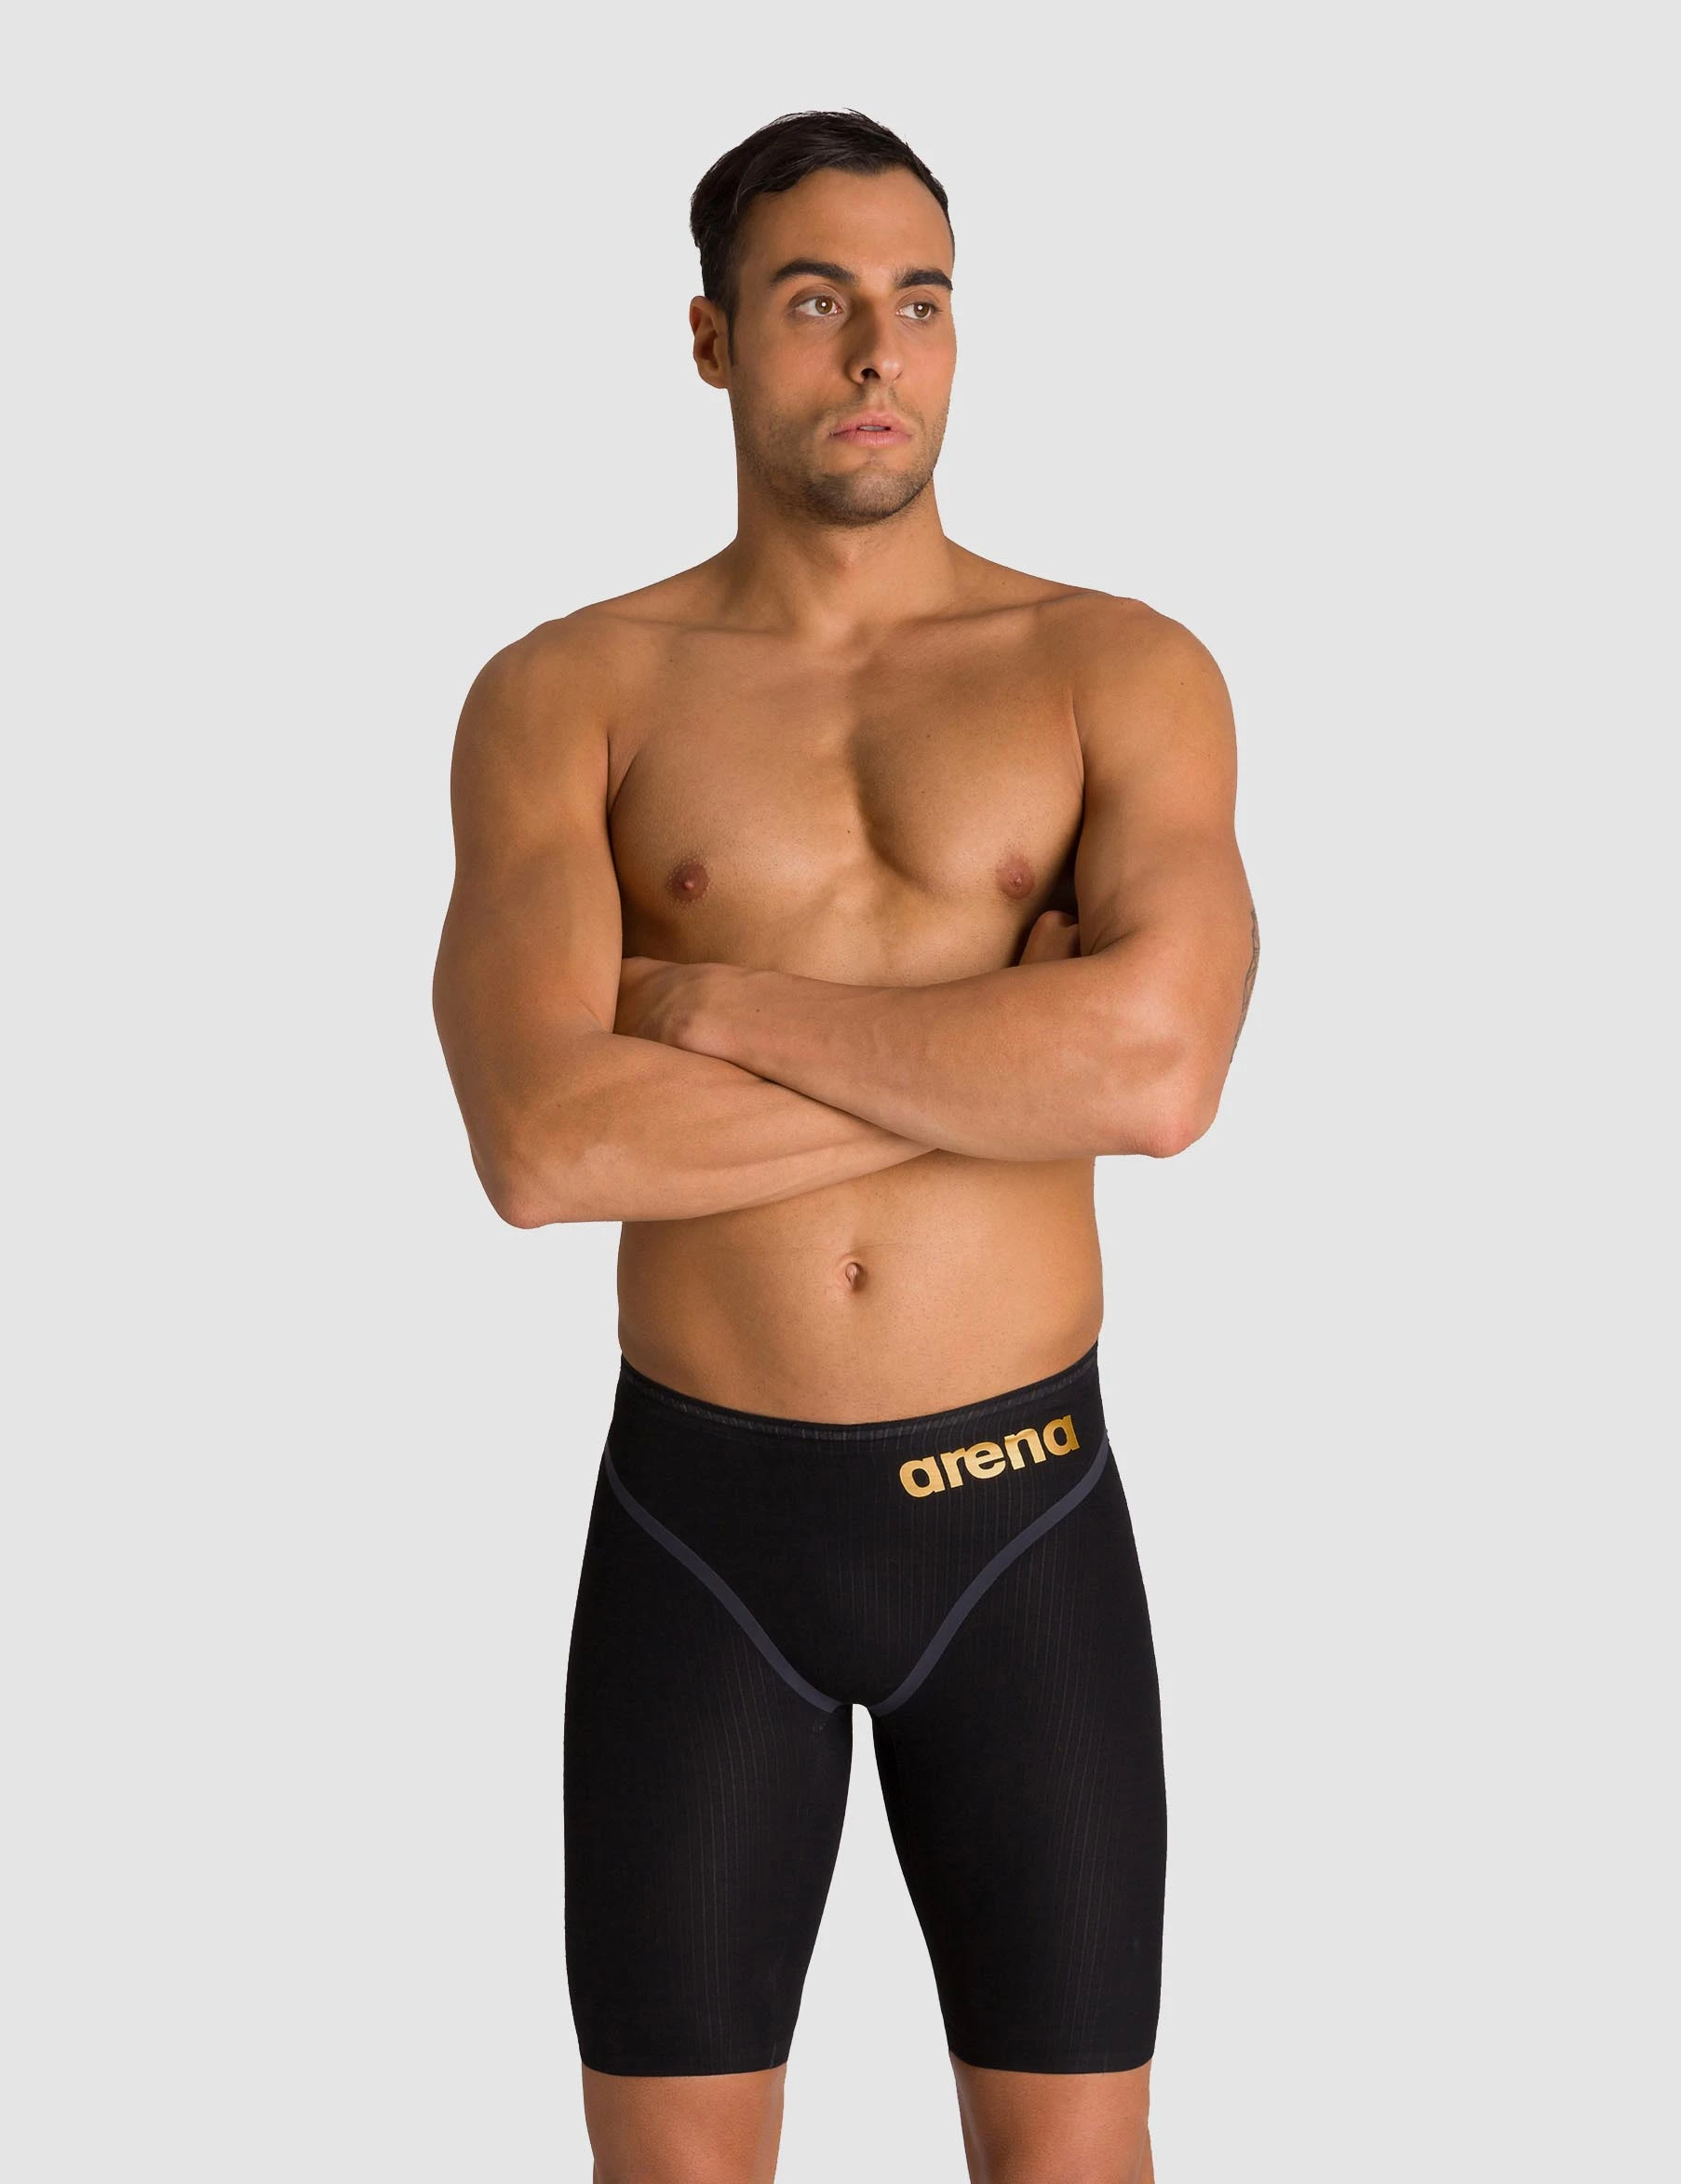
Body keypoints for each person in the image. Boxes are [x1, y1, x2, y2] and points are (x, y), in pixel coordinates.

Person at [433, 108, 1257, 2184]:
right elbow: (541, 1144)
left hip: (1024, 1515)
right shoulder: (567, 692)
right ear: (713, 341)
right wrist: (999, 1044)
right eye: (816, 303)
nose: (880, 351)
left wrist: (708, 1006)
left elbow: (1159, 1077)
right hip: (703, 1524)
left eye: (921, 302)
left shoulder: (1116, 668)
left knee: (1077, 2168)